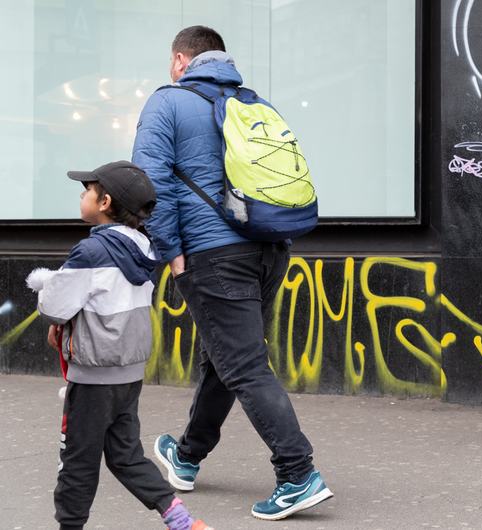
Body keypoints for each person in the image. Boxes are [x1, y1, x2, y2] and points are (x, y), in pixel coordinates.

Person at [133, 25, 331, 521]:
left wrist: (171, 253)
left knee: (242, 364)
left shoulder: (168, 103)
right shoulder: (253, 102)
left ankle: (297, 473)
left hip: (210, 255)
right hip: (267, 248)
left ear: (182, 60)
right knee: (226, 357)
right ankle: (187, 456)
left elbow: (148, 183)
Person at [29, 161, 211, 530]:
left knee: (77, 460)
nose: (82, 195)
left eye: (87, 190)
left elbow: (55, 306)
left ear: (105, 201)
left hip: (93, 374)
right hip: (127, 373)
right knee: (125, 455)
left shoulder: (90, 253)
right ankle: (181, 520)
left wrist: (48, 290)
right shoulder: (145, 249)